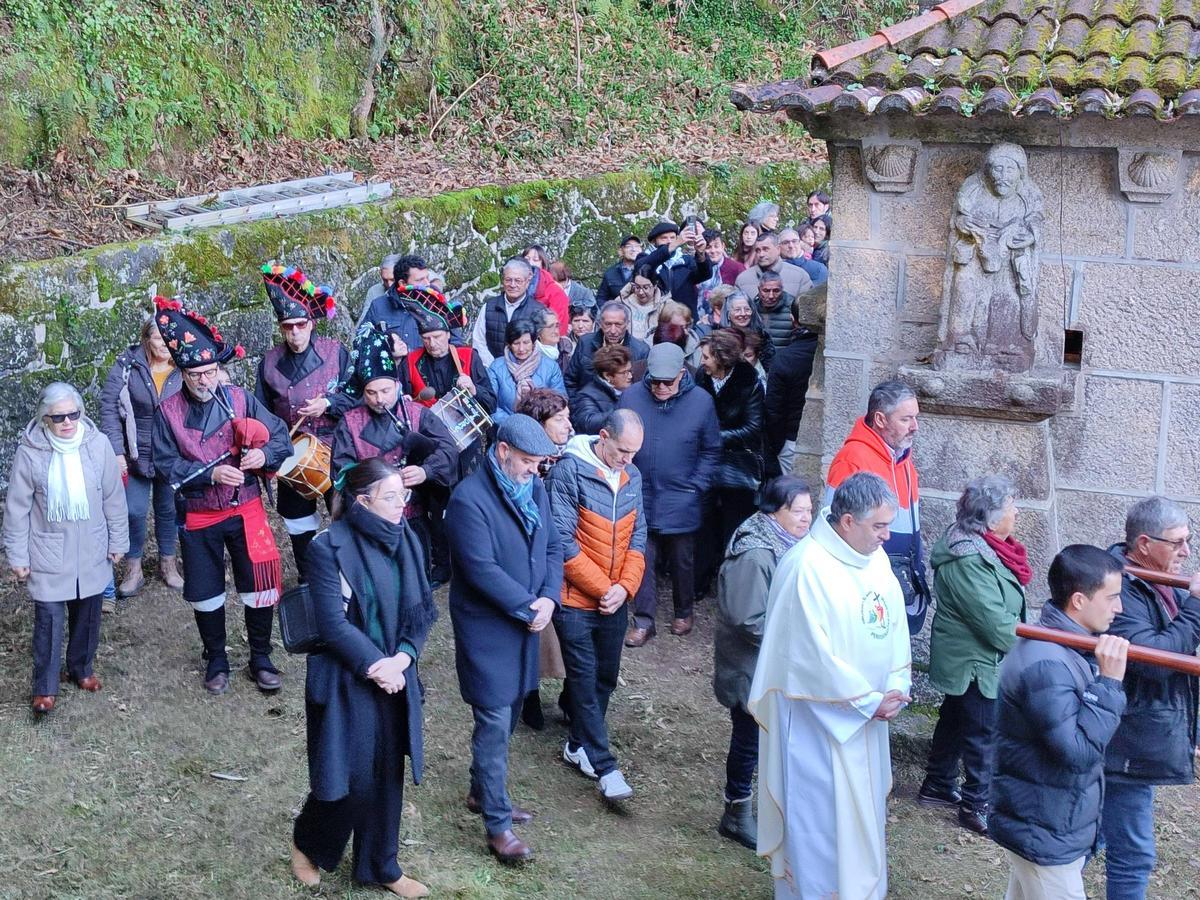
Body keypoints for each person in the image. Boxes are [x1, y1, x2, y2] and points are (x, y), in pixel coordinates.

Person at [749, 472, 911, 900]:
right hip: (818, 726)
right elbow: (809, 659)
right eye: (878, 526)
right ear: (846, 522)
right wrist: (867, 701)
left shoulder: (875, 558)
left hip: (869, 718)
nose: (886, 535)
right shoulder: (806, 567)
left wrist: (895, 686)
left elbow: (892, 626)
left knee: (863, 817)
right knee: (823, 822)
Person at [289, 458, 437, 899]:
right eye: (391, 497)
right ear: (362, 501)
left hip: (395, 673)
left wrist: (404, 660)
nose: (400, 505)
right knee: (347, 778)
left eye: (403, 495)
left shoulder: (407, 538)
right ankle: (307, 841)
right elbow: (333, 625)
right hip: (347, 679)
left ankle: (380, 866)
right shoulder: (327, 547)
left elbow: (422, 611)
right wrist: (379, 668)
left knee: (387, 773)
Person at [151, 298, 292, 695]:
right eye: (196, 374)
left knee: (258, 583)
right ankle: (216, 658)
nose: (205, 381)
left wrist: (263, 454)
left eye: (211, 372)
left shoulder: (241, 399)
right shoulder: (167, 413)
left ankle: (261, 657)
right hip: (199, 514)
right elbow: (165, 464)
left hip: (246, 508)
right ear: (182, 373)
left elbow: (279, 435)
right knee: (207, 590)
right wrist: (210, 472)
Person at [447, 414, 564, 863]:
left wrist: (549, 599)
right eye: (530, 462)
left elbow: (552, 546)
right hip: (488, 630)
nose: (536, 471)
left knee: (511, 711)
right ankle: (497, 825)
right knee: (494, 723)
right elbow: (480, 570)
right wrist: (528, 605)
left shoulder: (532, 488)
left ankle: (481, 792)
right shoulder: (468, 500)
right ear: (503, 452)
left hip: (527, 625)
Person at [989, 544, 1129, 900]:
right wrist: (1109, 685)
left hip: (1046, 823)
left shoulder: (1064, 648)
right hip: (1043, 830)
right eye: (1112, 597)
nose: (1120, 607)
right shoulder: (1048, 662)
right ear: (1079, 600)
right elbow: (1077, 751)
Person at [4, 382, 128, 714]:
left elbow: (113, 499)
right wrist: (17, 555)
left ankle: (81, 668)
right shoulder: (30, 452)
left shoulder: (97, 445)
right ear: (45, 418)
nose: (68, 422)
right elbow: (17, 508)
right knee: (48, 619)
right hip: (47, 550)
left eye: (73, 414)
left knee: (89, 614)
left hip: (92, 547)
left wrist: (119, 541)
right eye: (59, 417)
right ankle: (45, 687)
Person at [1101, 496, 1200, 899]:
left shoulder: (1154, 579)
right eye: (1177, 543)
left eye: (1189, 541)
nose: (1187, 552)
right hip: (1123, 740)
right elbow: (1157, 660)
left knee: (1091, 843)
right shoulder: (1116, 586)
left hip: (1137, 734)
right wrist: (1197, 608)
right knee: (1131, 854)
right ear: (1144, 544)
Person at [919, 475, 1029, 836]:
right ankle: (975, 803)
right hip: (975, 660)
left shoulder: (983, 547)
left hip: (973, 657)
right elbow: (994, 624)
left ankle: (937, 784)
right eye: (1012, 506)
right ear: (992, 517)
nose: (1016, 512)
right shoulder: (968, 559)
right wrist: (1027, 653)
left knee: (954, 718)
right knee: (984, 731)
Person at [545, 409, 646, 801]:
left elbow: (639, 537)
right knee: (584, 681)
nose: (628, 460)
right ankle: (605, 767)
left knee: (605, 676)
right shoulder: (568, 473)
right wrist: (606, 588)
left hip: (614, 600)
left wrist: (626, 588)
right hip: (575, 602)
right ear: (603, 437)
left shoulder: (632, 476)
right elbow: (563, 542)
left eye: (634, 453)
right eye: (622, 450)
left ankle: (576, 745)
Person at [712, 476, 812, 849]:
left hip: (772, 664)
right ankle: (736, 813)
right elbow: (747, 618)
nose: (806, 518)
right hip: (751, 668)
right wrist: (800, 638)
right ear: (773, 512)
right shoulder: (756, 553)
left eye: (809, 510)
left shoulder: (787, 544)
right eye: (797, 511)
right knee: (749, 738)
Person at [617, 343, 720, 646]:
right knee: (641, 557)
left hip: (682, 495)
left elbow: (711, 449)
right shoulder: (631, 397)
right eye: (655, 381)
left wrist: (697, 486)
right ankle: (644, 620)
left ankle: (683, 610)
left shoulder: (701, 402)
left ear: (682, 374)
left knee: (682, 559)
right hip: (640, 492)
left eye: (668, 382)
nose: (661, 387)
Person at [332, 324, 460, 567]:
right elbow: (340, 472)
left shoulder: (417, 414)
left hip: (412, 517)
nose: (379, 399)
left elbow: (449, 450)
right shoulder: (349, 423)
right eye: (371, 392)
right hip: (368, 519)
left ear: (397, 385)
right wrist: (373, 484)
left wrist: (426, 471)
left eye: (385, 390)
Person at [255, 264, 352, 582]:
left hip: (336, 450)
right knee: (298, 523)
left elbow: (360, 399)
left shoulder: (337, 353)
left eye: (300, 324)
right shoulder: (268, 364)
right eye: (288, 326)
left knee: (345, 519)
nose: (295, 332)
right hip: (291, 452)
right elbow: (261, 414)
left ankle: (348, 577)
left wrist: (329, 403)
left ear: (312, 323)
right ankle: (310, 577)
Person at [826, 379, 928, 634]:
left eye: (915, 418)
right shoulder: (852, 460)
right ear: (881, 420)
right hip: (866, 588)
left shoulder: (903, 459)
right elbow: (834, 528)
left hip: (897, 582)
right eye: (906, 419)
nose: (915, 427)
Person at [100, 316, 183, 599]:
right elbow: (109, 406)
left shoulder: (185, 363)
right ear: (146, 338)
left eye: (168, 337)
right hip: (136, 455)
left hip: (172, 454)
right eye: (158, 338)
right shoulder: (128, 364)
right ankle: (133, 568)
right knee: (133, 510)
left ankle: (168, 564)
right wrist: (116, 451)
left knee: (169, 509)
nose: (164, 344)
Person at [512, 388, 573, 729]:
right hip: (532, 560)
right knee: (535, 631)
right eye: (559, 419)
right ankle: (528, 694)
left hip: (564, 556)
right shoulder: (526, 470)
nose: (568, 425)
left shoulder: (573, 456)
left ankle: (567, 698)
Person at [695, 330, 765, 596]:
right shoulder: (702, 378)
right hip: (706, 465)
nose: (702, 361)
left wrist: (713, 437)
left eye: (706, 356)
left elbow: (753, 428)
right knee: (703, 528)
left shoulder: (749, 382)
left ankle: (732, 590)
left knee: (734, 530)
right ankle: (699, 582)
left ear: (721, 358)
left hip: (738, 466)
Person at [763, 298, 819, 476]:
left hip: (790, 440)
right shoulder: (791, 357)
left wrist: (779, 445)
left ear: (792, 319)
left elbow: (773, 409)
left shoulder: (785, 358)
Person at [488, 319, 567, 427]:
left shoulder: (550, 367)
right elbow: (491, 405)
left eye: (526, 343)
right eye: (516, 343)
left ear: (534, 343)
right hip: (508, 428)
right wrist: (514, 423)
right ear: (509, 344)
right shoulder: (496, 367)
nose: (521, 348)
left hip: (542, 429)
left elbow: (560, 402)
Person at [563, 301, 650, 397]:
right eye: (608, 324)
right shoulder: (585, 343)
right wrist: (577, 405)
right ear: (600, 323)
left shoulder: (641, 350)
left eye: (618, 324)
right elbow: (570, 380)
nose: (613, 331)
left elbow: (641, 390)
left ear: (627, 324)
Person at [470, 258, 543, 367]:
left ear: (527, 282)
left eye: (518, 281)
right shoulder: (489, 307)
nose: (512, 285)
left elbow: (542, 347)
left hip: (527, 373)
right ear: (503, 280)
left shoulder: (538, 311)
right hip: (491, 370)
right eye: (508, 280)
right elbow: (479, 341)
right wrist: (495, 366)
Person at [635, 220, 713, 315]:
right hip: (654, 318)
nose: (669, 241)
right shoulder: (644, 258)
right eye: (664, 238)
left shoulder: (686, 260)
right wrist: (674, 244)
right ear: (654, 241)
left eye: (672, 238)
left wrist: (701, 253)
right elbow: (642, 267)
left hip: (685, 318)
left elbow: (705, 274)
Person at [571, 345, 632, 435]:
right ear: (607, 375)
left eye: (630, 370)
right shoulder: (586, 396)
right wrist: (623, 410)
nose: (630, 376)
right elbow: (587, 424)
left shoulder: (632, 388)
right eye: (624, 373)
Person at [735, 232, 812, 300]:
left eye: (765, 249)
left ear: (778, 249)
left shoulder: (799, 276)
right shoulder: (743, 280)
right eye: (758, 250)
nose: (761, 254)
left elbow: (808, 311)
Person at [721, 293, 775, 372]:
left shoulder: (762, 336)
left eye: (747, 309)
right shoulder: (720, 338)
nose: (743, 314)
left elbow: (770, 368)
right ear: (728, 314)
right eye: (737, 310)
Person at [617, 264, 666, 343]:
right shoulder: (623, 302)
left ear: (655, 285)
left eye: (645, 288)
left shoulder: (664, 306)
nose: (640, 292)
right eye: (637, 287)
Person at [752, 272, 796, 351]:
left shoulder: (793, 308)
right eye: (766, 291)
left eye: (776, 291)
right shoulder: (752, 308)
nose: (771, 296)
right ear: (759, 289)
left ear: (782, 289)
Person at [529, 304, 574, 377]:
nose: (556, 331)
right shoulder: (529, 352)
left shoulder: (567, 349)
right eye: (550, 327)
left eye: (557, 326)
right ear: (538, 331)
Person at [596, 234, 642, 304]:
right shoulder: (611, 273)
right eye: (629, 246)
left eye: (637, 246)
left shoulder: (647, 270)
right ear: (620, 251)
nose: (633, 249)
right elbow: (601, 298)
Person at [360, 253, 400, 317]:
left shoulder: (410, 291)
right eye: (385, 280)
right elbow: (365, 319)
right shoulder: (374, 291)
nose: (389, 285)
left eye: (393, 280)